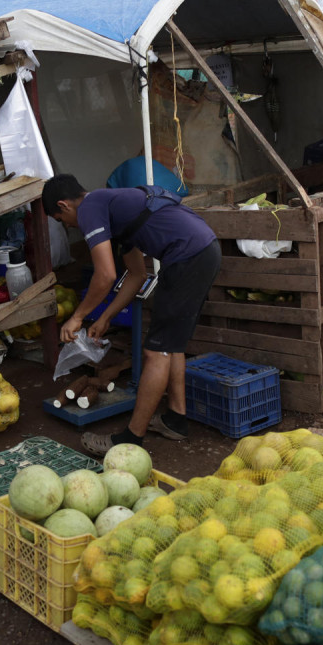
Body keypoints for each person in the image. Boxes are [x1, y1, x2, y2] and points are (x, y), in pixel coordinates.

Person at [44, 172, 220, 457]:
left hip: (187, 256)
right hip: (203, 250)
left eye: (60, 220)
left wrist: (77, 316)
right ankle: (175, 419)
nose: (67, 226)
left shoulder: (90, 207)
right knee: (171, 345)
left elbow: (105, 275)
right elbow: (136, 275)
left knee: (156, 352)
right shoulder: (114, 211)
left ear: (64, 206)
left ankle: (130, 439)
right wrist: (105, 317)